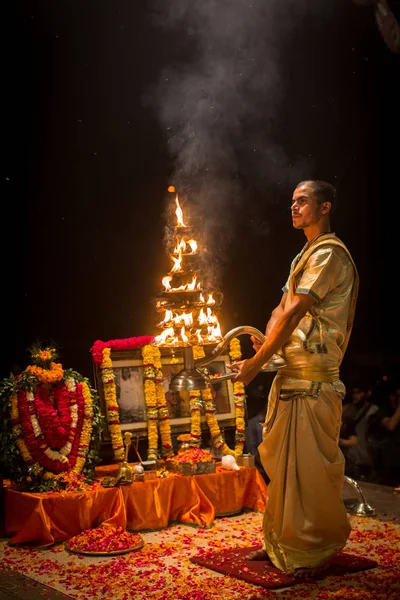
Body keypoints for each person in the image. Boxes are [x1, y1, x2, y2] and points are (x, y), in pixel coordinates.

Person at [228, 180, 359, 579]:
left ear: (325, 207)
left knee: (310, 473)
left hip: (315, 380)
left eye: (303, 201)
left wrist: (256, 363)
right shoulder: (304, 254)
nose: (294, 207)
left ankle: (311, 550)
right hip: (290, 375)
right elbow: (280, 308)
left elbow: (297, 310)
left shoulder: (330, 254)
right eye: (292, 201)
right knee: (285, 470)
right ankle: (281, 541)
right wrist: (265, 347)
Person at [339, 384, 378, 480]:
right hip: (347, 452)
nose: (355, 395)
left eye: (359, 392)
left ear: (366, 393)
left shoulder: (372, 410)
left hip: (363, 453)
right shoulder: (347, 408)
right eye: (354, 393)